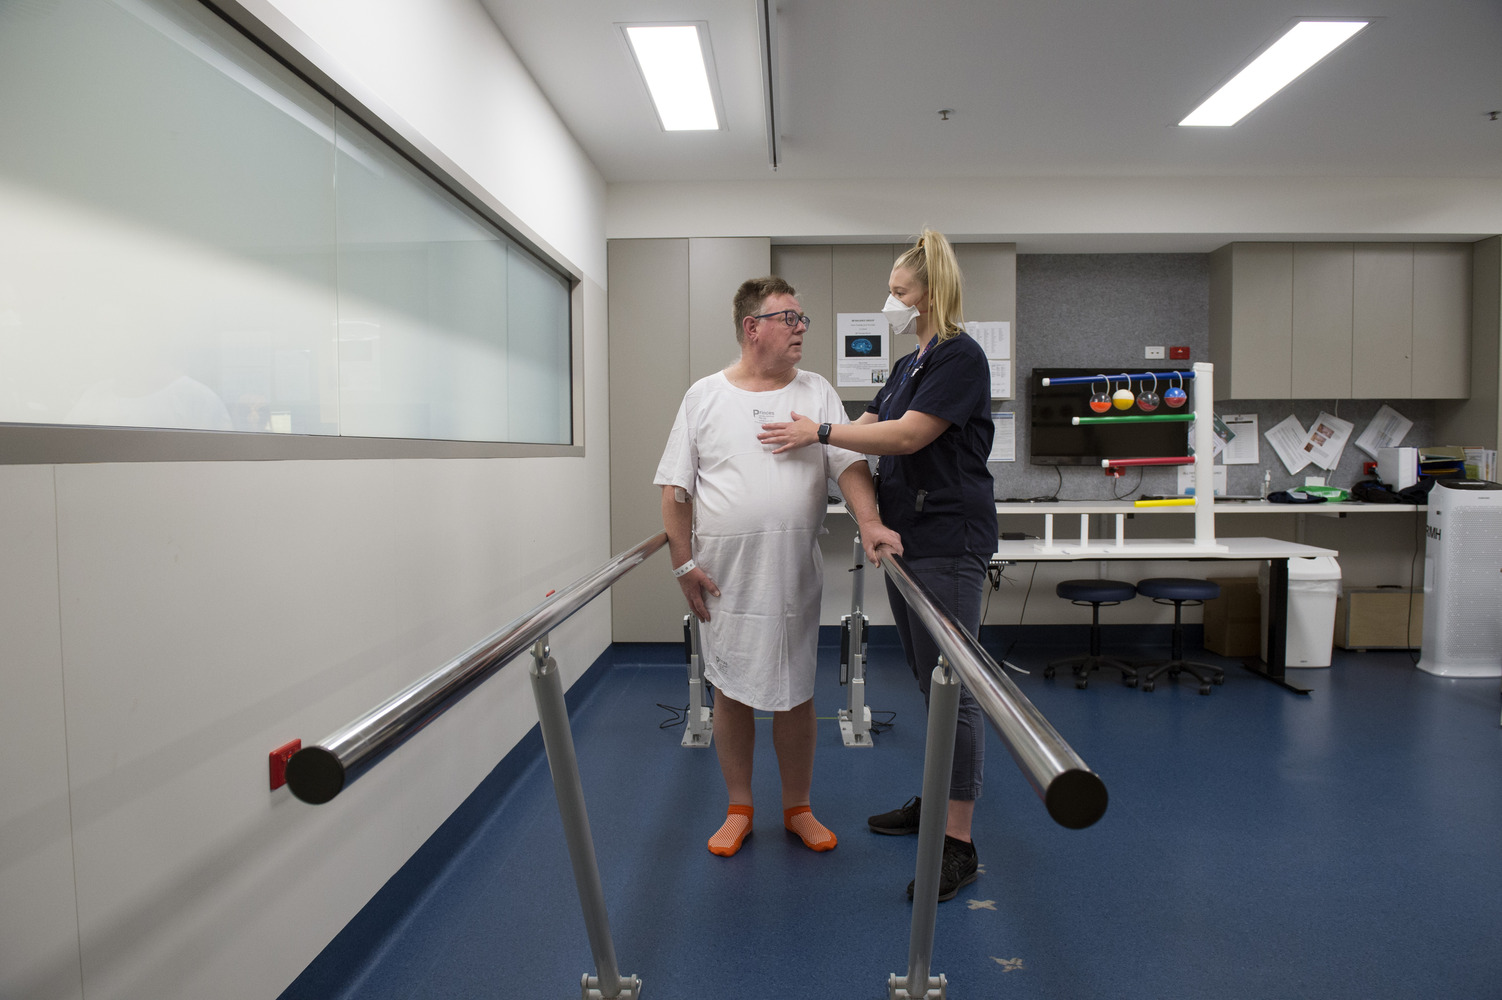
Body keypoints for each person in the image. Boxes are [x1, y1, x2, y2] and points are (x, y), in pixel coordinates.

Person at [757, 229, 995, 902]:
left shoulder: (959, 357)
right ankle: (937, 799)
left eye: (899, 292)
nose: (890, 302)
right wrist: (809, 420)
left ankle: (958, 843)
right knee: (929, 681)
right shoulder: (909, 362)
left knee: (956, 684)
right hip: (907, 537)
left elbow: (907, 435)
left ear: (930, 294)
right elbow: (869, 418)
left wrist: (821, 431)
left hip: (949, 538)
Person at [655, 275, 902, 859]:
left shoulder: (816, 392)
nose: (800, 329)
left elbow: (848, 466)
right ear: (752, 327)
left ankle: (798, 807)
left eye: (801, 319)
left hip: (792, 569)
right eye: (788, 318)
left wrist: (868, 521)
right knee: (732, 689)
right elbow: (675, 488)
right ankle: (740, 806)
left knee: (795, 691)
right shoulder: (704, 396)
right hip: (725, 573)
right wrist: (682, 564)